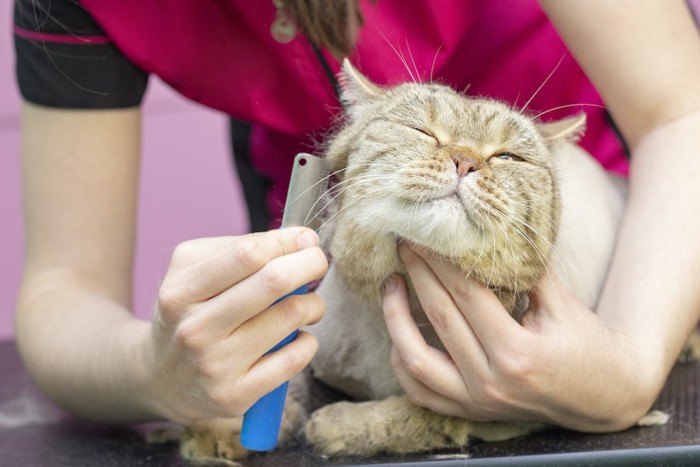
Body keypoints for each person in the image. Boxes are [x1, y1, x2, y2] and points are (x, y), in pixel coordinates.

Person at [12, 0, 700, 434]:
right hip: (335, 200)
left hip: (604, 222)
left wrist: (627, 366)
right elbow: (63, 288)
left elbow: (682, 114)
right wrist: (151, 369)